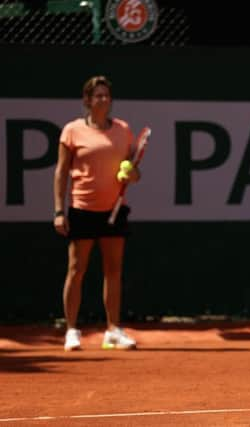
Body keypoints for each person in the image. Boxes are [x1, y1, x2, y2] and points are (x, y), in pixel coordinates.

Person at [53, 75, 139, 351]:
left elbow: (133, 170)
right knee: (76, 269)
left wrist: (132, 173)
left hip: (114, 209)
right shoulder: (72, 130)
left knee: (113, 271)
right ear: (87, 101)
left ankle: (113, 330)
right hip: (82, 208)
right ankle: (71, 330)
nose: (104, 100)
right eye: (98, 96)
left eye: (107, 96)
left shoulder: (123, 130)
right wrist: (59, 210)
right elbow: (61, 172)